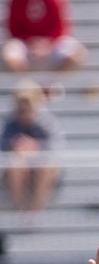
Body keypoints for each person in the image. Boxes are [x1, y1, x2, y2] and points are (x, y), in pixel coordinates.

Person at [5, 0, 87, 74]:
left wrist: (46, 43)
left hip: (52, 43)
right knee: (10, 57)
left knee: (77, 55)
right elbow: (14, 28)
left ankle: (50, 83)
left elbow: (61, 26)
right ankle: (28, 84)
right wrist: (32, 41)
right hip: (26, 44)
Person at [4, 80, 60, 212]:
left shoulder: (47, 123)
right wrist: (14, 147)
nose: (24, 112)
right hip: (15, 166)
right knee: (15, 164)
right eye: (21, 108)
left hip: (41, 165)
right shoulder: (7, 124)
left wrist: (35, 148)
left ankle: (36, 210)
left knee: (46, 167)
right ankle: (19, 209)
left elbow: (55, 146)